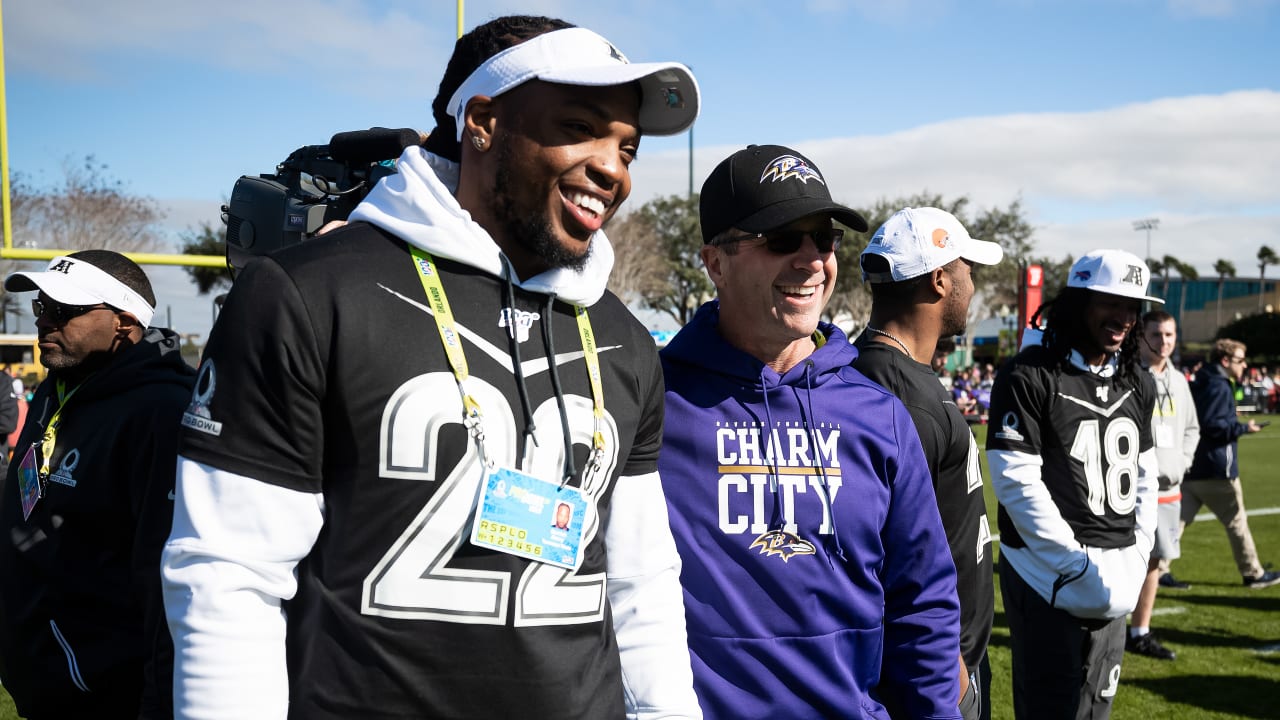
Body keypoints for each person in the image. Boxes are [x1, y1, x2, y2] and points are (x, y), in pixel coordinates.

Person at [161, 16, 703, 719]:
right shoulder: (311, 293)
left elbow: (640, 582)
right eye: (579, 127)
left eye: (626, 148)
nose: (613, 168)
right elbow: (227, 578)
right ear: (482, 120)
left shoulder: (622, 339)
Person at [659, 144, 962, 720]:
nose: (811, 260)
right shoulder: (655, 402)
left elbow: (922, 604)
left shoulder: (879, 415)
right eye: (780, 240)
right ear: (715, 262)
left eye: (823, 240)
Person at [0, 251, 195, 719]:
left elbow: (166, 579)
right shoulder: (56, 387)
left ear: (124, 324)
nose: (45, 322)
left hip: (107, 693)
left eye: (64, 311)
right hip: (45, 681)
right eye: (41, 307)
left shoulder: (161, 411)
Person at [986, 249, 1161, 719]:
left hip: (1117, 571)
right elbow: (1015, 481)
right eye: (1111, 302)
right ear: (1078, 301)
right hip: (1047, 576)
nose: (1124, 317)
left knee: (1096, 711)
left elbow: (1146, 477)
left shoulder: (1137, 381)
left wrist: (1138, 549)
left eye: (1132, 306)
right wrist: (1074, 565)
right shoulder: (1029, 374)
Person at [855, 206, 1004, 720]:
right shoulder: (890, 391)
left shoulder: (906, 374)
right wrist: (950, 669)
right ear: (940, 281)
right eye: (967, 270)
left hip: (950, 659)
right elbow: (885, 552)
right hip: (934, 671)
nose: (972, 282)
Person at [1126, 310, 1199, 661]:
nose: (1164, 341)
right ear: (1141, 337)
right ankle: (1105, 629)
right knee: (1123, 558)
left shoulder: (1181, 381)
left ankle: (1139, 631)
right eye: (1156, 334)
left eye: (1169, 335)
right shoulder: (1127, 376)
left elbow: (1191, 430)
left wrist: (1181, 463)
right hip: (1131, 490)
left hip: (1169, 488)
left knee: (1155, 562)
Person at [1179, 338, 1280, 588]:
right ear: (1225, 361)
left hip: (1192, 466)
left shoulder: (1200, 381)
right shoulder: (1219, 385)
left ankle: (1156, 570)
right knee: (1237, 523)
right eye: (1240, 360)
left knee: (1174, 526)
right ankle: (1252, 573)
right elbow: (1213, 425)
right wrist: (1243, 427)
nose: (1244, 365)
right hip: (1217, 470)